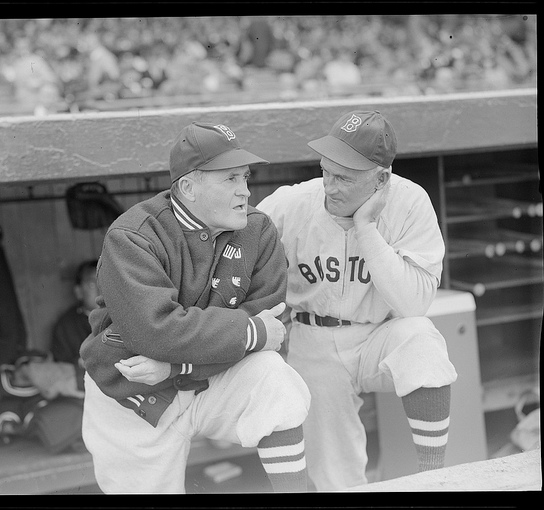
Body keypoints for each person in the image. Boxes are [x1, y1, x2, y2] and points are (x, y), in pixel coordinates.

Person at [79, 122, 311, 494]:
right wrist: (247, 332)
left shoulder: (258, 230)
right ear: (188, 187)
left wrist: (179, 364)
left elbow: (274, 330)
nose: (245, 192)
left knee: (274, 378)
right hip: (132, 391)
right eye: (230, 179)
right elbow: (156, 332)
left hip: (201, 379)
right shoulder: (134, 235)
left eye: (245, 177)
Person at [256, 110, 458, 491]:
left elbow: (413, 304)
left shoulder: (410, 203)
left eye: (344, 177)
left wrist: (366, 228)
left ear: (382, 179)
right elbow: (235, 246)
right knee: (337, 478)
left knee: (421, 337)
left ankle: (435, 479)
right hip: (312, 339)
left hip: (378, 338)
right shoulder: (291, 204)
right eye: (326, 172)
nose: (330, 186)